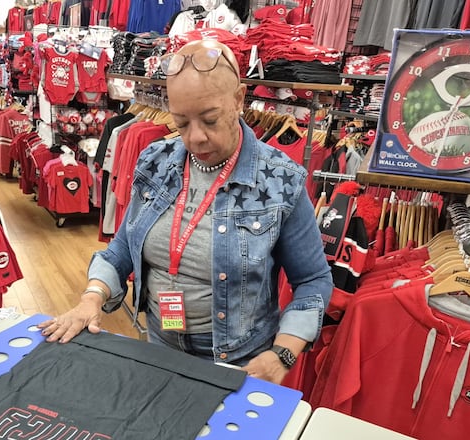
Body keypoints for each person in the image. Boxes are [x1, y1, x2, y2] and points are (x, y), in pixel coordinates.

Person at [39, 39, 332, 385]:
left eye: (210, 120)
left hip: (237, 361)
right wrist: (92, 298)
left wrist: (282, 353)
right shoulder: (156, 160)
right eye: (181, 123)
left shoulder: (280, 180)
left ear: (238, 100)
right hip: (159, 345)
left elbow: (313, 279)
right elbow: (122, 247)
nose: (196, 138)